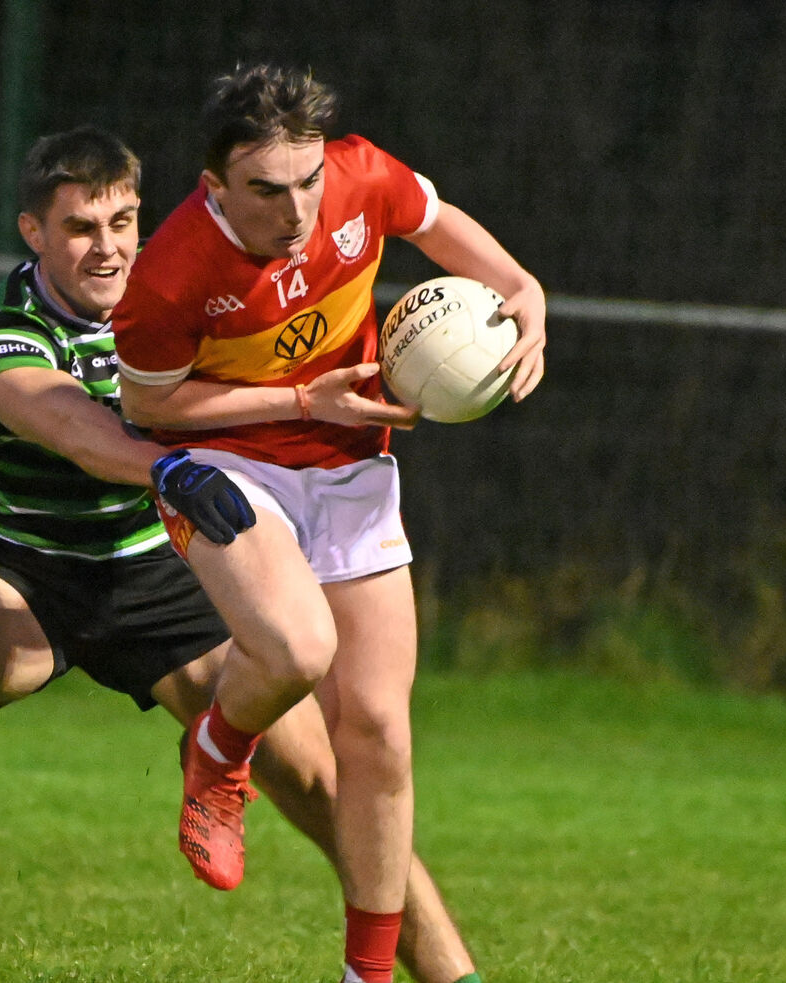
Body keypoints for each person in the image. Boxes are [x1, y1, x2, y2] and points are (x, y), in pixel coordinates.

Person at [0, 125, 482, 983]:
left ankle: (455, 976)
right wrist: (165, 463)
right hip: (27, 571)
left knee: (330, 779)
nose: (108, 246)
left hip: (164, 571)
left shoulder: (173, 291)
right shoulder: (1, 333)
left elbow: (261, 364)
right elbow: (76, 429)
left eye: (123, 220)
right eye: (81, 227)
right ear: (33, 234)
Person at [112, 65, 546, 983]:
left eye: (307, 181)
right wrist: (304, 393)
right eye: (266, 189)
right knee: (299, 648)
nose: (297, 208)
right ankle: (220, 748)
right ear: (214, 186)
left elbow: (431, 217)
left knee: (381, 730)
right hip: (229, 465)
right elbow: (154, 410)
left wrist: (519, 284)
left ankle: (369, 975)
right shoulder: (170, 274)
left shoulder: (357, 176)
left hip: (348, 464)